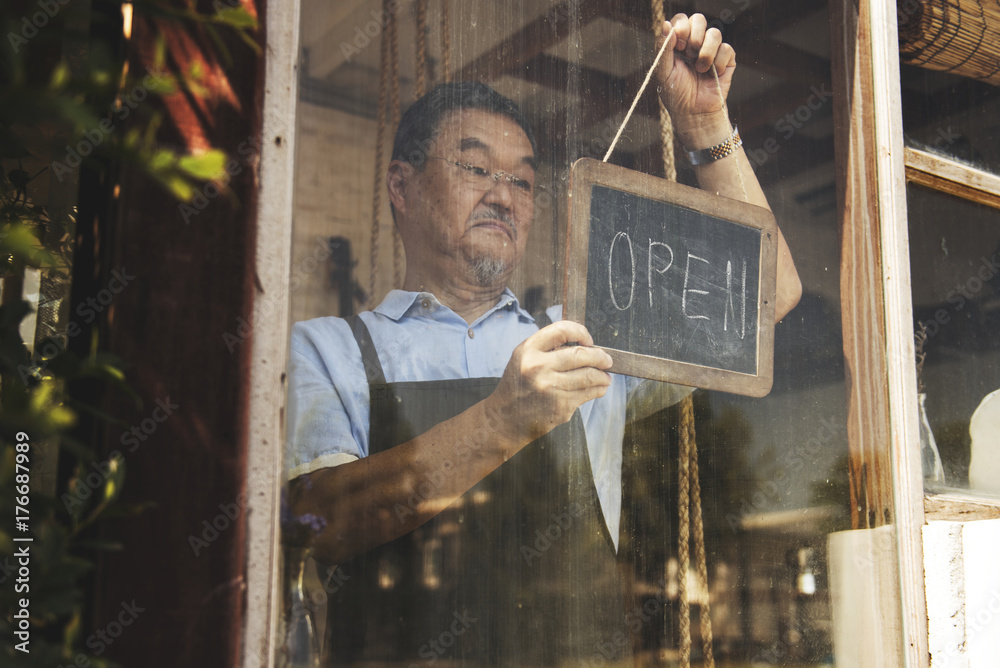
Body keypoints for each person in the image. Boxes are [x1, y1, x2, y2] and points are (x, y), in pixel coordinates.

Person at [286, 14, 802, 666]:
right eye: (476, 168)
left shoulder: (580, 336)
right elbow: (313, 524)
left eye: (523, 181)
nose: (504, 196)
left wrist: (704, 125)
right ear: (402, 186)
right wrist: (505, 418)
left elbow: (769, 297)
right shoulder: (330, 349)